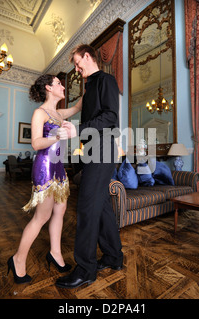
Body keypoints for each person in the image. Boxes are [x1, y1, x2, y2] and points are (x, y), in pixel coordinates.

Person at [56, 44, 123, 289]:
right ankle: (114, 256)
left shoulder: (106, 80)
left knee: (85, 208)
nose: (76, 68)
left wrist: (79, 130)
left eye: (77, 62)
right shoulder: (90, 87)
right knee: (101, 205)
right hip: (93, 151)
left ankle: (85, 269)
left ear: (87, 56)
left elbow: (111, 117)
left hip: (103, 150)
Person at [7, 74, 81, 284]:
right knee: (41, 217)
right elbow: (36, 143)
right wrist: (58, 136)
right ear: (49, 88)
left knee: (60, 211)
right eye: (59, 83)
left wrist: (91, 82)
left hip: (59, 168)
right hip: (45, 168)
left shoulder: (58, 113)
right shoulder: (40, 113)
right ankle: (18, 260)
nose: (63, 86)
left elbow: (76, 108)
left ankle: (55, 254)